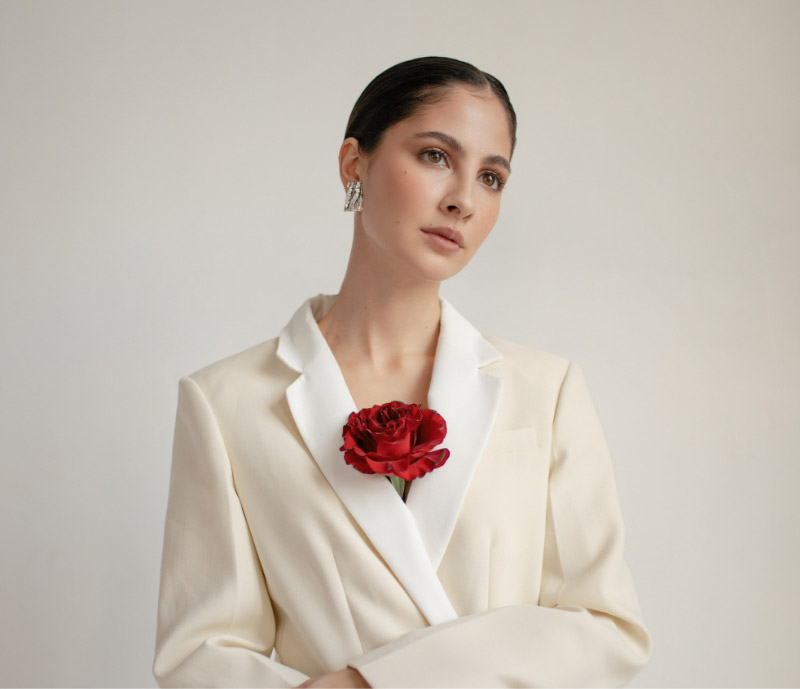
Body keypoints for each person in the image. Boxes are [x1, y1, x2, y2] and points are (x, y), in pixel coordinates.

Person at [153, 56, 652, 688]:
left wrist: (372, 683)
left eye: (491, 177)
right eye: (436, 156)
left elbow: (608, 631)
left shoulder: (546, 391)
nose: (463, 200)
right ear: (353, 165)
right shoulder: (228, 402)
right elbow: (200, 657)